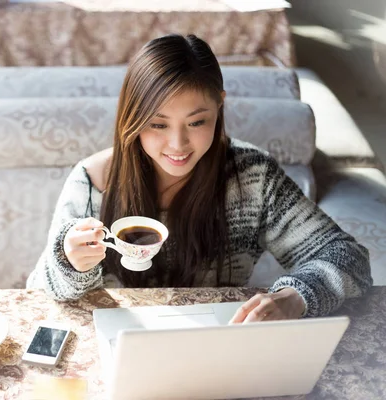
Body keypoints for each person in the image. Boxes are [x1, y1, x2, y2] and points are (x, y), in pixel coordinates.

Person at [26, 33, 372, 322]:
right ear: (131, 118)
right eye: (158, 124)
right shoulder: (92, 180)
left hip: (217, 342)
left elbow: (347, 257)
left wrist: (296, 296)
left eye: (196, 122)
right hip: (118, 342)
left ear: (219, 106)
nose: (178, 145)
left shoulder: (251, 176)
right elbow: (39, 293)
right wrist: (69, 263)